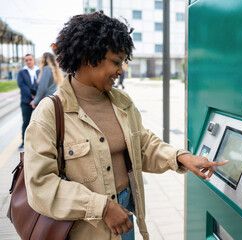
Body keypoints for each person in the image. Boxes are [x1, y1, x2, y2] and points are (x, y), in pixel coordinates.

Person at [23, 11, 227, 240]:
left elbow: (142, 144)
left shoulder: (122, 102)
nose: (121, 71)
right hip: (85, 229)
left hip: (124, 218)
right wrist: (102, 207)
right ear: (90, 57)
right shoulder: (49, 113)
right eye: (116, 62)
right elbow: (41, 185)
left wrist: (180, 157)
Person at [17, 53, 40, 149]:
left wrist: (36, 98)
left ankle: (38, 142)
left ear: (33, 60)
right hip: (26, 101)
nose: (28, 61)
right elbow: (22, 85)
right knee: (26, 122)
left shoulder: (39, 71)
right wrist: (31, 97)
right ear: (24, 61)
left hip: (38, 101)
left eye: (30, 59)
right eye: (26, 60)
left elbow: (41, 85)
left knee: (39, 122)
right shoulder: (22, 72)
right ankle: (24, 142)